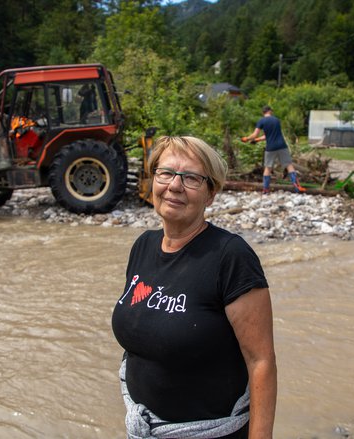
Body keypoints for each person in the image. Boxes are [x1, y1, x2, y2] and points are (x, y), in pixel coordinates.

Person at [111, 136, 277, 439]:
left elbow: (261, 361)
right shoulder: (143, 246)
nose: (175, 185)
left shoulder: (231, 257)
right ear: (153, 181)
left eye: (191, 178)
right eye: (166, 173)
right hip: (145, 429)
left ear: (210, 194)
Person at [242, 105, 305, 194]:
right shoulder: (276, 120)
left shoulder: (261, 121)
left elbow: (255, 134)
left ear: (263, 112)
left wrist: (247, 138)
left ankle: (266, 190)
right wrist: (257, 140)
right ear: (270, 111)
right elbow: (269, 135)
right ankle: (297, 187)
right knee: (289, 165)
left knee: (268, 168)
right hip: (282, 146)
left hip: (271, 148)